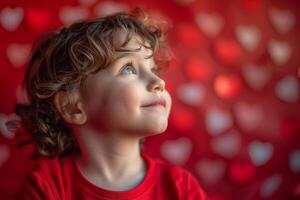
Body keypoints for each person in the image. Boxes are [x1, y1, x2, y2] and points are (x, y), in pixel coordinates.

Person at [14, 8, 208, 200]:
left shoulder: (180, 187)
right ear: (71, 106)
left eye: (154, 70)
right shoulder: (46, 187)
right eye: (128, 69)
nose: (159, 82)